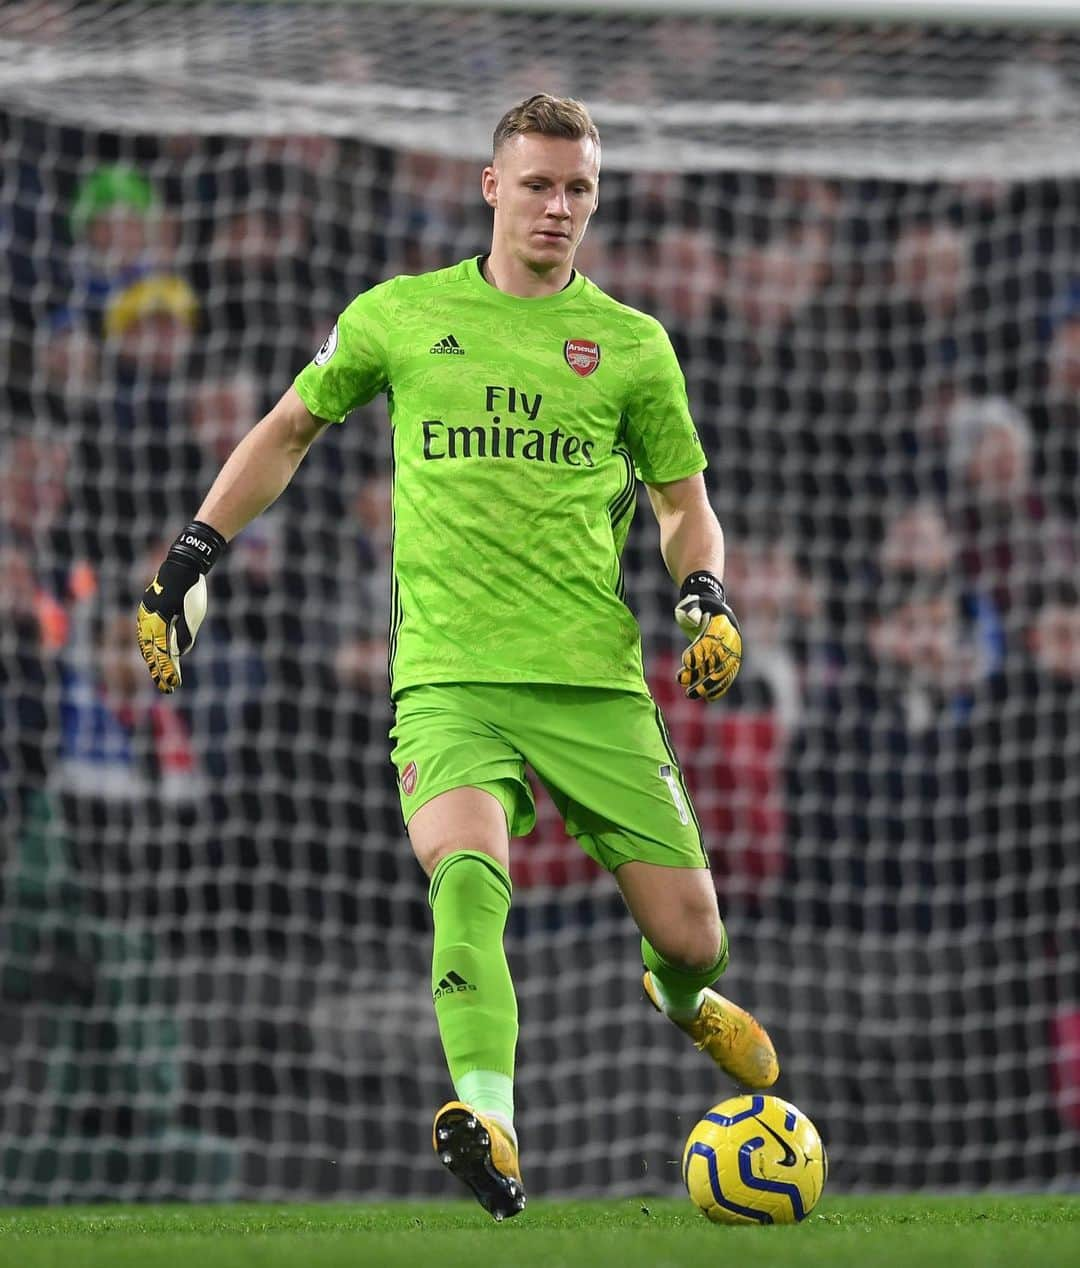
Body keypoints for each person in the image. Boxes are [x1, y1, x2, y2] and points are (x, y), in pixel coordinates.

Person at [135, 94, 777, 1220]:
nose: (558, 207)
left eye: (578, 188)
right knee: (466, 876)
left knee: (696, 936)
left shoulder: (632, 345)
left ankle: (679, 999)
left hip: (593, 681)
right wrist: (194, 550)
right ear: (492, 186)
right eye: (537, 184)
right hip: (448, 678)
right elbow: (288, 427)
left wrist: (704, 590)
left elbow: (686, 504)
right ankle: (490, 1114)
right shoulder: (397, 315)